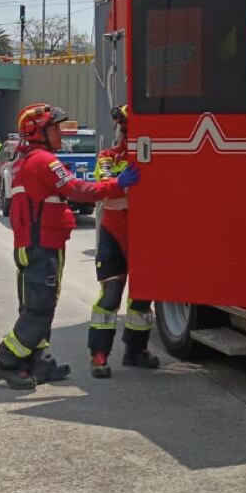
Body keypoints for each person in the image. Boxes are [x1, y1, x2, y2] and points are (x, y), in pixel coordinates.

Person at [0, 103, 139, 391]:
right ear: (39, 132)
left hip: (40, 243)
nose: (61, 134)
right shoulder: (43, 161)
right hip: (40, 245)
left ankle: (40, 361)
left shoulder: (29, 160)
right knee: (39, 307)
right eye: (55, 128)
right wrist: (117, 184)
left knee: (41, 304)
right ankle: (7, 360)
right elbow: (78, 190)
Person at [88, 105, 159, 377]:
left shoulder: (153, 154)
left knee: (143, 296)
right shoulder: (107, 156)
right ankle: (98, 355)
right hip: (114, 232)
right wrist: (122, 183)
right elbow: (104, 189)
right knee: (111, 296)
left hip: (146, 232)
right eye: (124, 126)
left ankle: (135, 350)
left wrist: (123, 186)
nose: (125, 131)